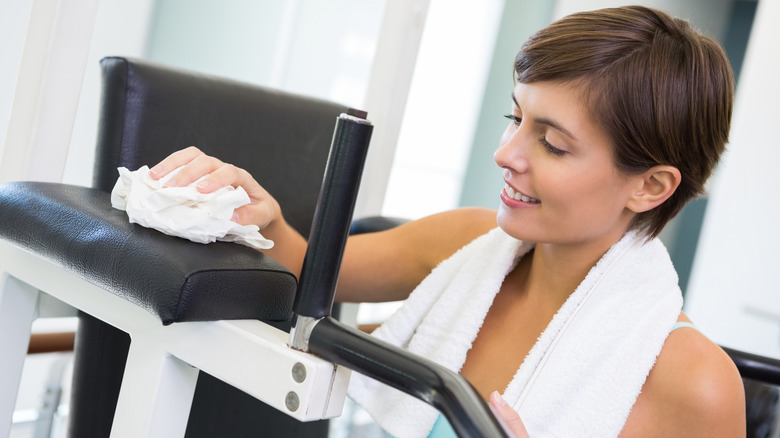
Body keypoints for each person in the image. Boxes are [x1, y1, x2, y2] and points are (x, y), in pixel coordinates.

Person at [149, 5, 744, 437]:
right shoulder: (468, 242)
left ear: (650, 186)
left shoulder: (696, 384)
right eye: (516, 118)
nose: (506, 154)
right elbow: (313, 274)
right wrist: (263, 217)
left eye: (553, 144)